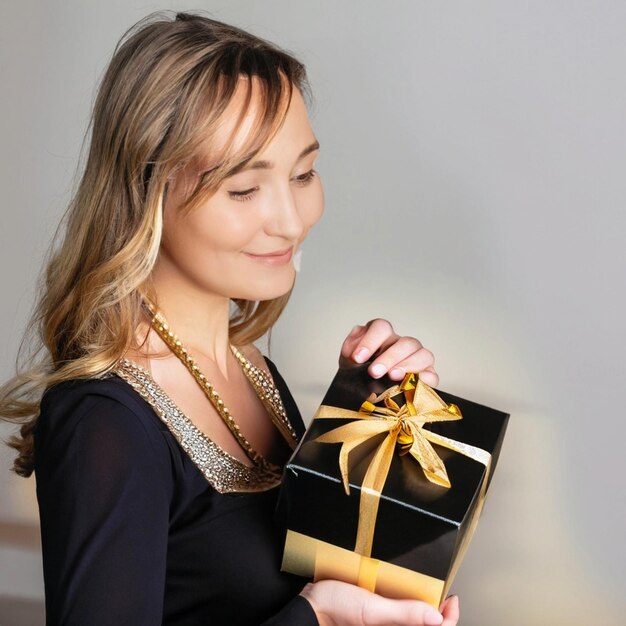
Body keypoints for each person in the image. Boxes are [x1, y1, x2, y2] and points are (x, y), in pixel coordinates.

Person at [1, 11, 459, 626]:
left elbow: (307, 580)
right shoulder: (103, 421)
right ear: (145, 190)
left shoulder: (254, 372)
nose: (291, 221)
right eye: (244, 189)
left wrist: (376, 419)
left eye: (303, 175)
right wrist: (314, 620)